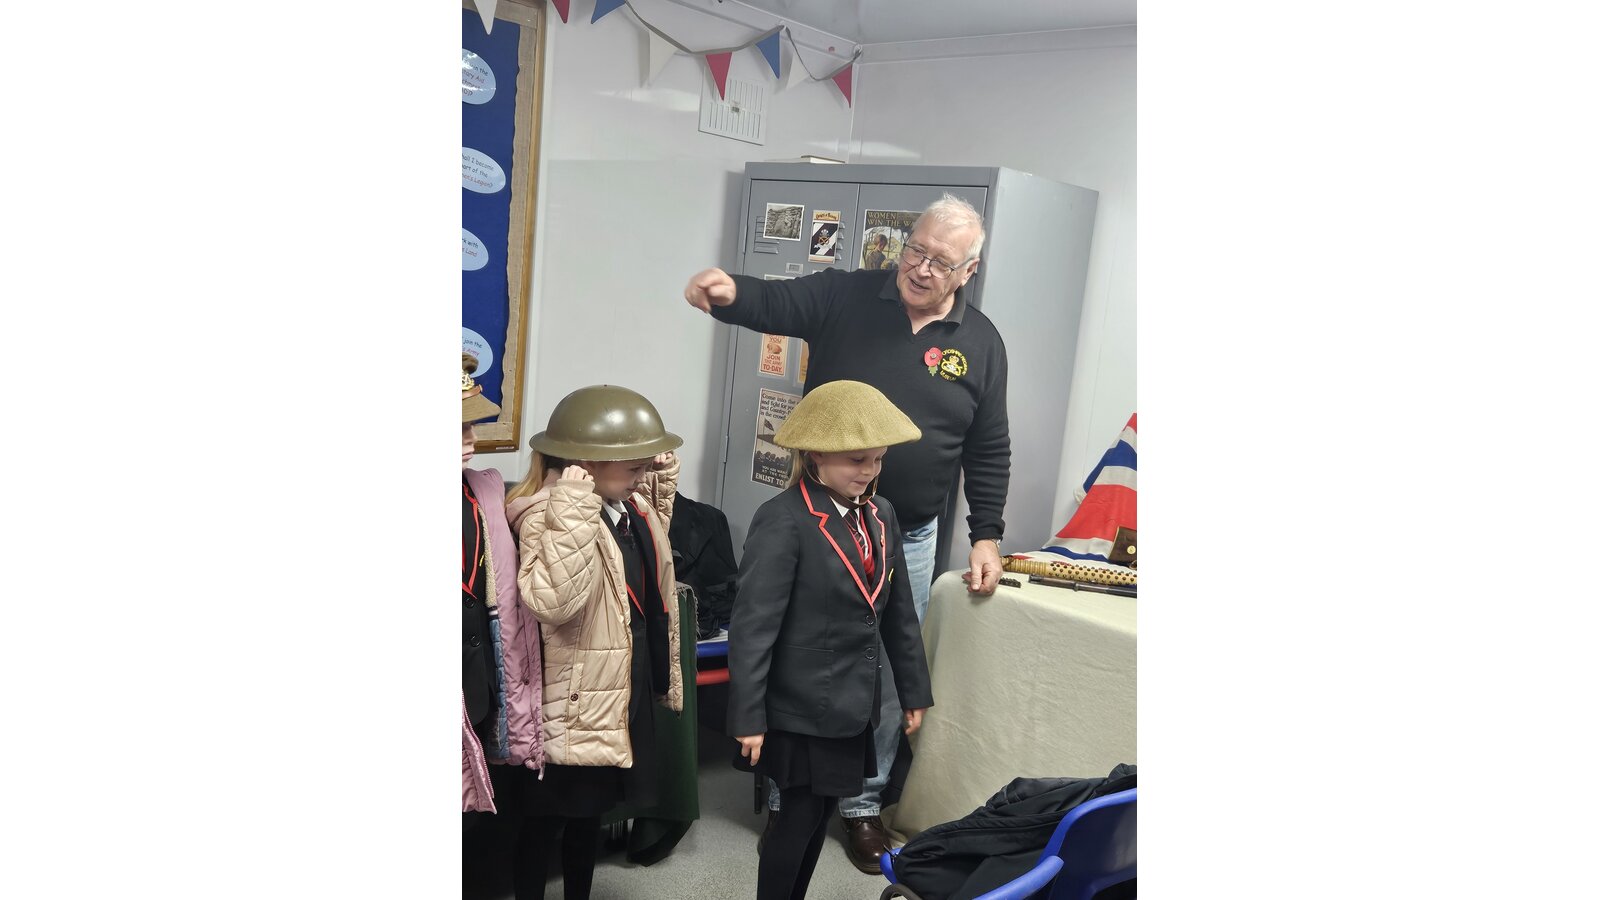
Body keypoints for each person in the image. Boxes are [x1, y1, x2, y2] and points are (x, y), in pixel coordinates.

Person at [684, 193, 1008, 872]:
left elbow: (988, 447)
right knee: (800, 654)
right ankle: (788, 793)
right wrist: (729, 293)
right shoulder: (849, 295)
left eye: (940, 261)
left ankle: (862, 803)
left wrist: (986, 533)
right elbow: (779, 301)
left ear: (968, 271)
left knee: (882, 666)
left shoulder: (981, 343)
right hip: (817, 523)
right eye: (915, 250)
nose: (920, 267)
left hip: (904, 533)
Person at [727, 380, 933, 900]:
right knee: (796, 818)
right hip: (800, 705)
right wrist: (748, 716)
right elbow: (753, 627)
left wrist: (913, 691)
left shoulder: (882, 515)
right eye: (857, 460)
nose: (870, 471)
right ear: (816, 453)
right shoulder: (784, 518)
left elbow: (898, 615)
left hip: (850, 704)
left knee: (820, 816)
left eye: (878, 459)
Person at [500, 384, 685, 900]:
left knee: (589, 819)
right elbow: (554, 601)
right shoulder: (548, 514)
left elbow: (645, 552)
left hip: (613, 688)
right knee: (545, 823)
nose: (641, 478)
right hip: (571, 700)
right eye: (634, 468)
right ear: (586, 465)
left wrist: (654, 479)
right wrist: (575, 507)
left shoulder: (623, 505)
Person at [461, 354, 544, 821]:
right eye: (458, 427)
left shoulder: (483, 493)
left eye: (471, 425)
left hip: (482, 682)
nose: (471, 440)